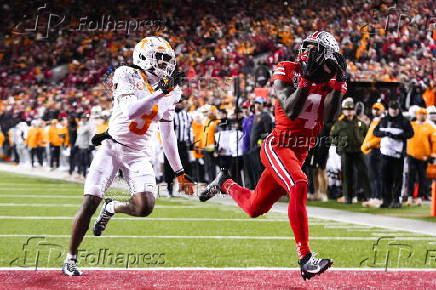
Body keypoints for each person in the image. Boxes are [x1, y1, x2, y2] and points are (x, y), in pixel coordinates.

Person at [199, 31, 347, 280]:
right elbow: (290, 110)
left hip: (299, 152)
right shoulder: (286, 69)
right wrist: (307, 81)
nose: (308, 52)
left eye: (315, 49)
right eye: (308, 47)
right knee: (299, 184)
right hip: (278, 145)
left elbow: (330, 117)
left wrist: (340, 84)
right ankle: (305, 258)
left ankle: (224, 183)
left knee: (254, 207)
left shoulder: (332, 79)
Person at [62, 37, 195, 276]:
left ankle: (112, 207)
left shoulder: (172, 91)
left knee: (145, 206)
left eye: (168, 60)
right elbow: (131, 111)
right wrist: (159, 93)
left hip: (138, 154)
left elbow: (168, 134)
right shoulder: (126, 74)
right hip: (112, 148)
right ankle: (71, 257)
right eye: (161, 58)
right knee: (90, 201)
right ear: (143, 56)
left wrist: (179, 171)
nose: (165, 64)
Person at [373, 100, 414, 208]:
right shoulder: (383, 120)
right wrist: (385, 133)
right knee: (385, 177)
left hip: (398, 154)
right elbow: (375, 132)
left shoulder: (404, 121)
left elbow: (411, 133)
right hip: (385, 154)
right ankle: (386, 200)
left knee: (397, 178)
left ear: (398, 109)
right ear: (389, 109)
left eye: (396, 109)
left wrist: (398, 136)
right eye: (392, 108)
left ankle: (396, 200)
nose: (394, 111)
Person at [330, 98, 370, 204]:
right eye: (347, 109)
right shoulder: (338, 124)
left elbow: (367, 135)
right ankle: (348, 198)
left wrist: (365, 145)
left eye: (351, 109)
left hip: (358, 151)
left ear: (353, 110)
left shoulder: (360, 123)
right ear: (343, 110)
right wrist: (339, 145)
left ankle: (367, 196)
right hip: (346, 152)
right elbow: (332, 137)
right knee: (347, 175)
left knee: (364, 173)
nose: (349, 111)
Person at [405, 108, 435, 206]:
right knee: (411, 177)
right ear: (416, 115)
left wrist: (432, 154)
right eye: (420, 113)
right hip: (412, 155)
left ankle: (419, 197)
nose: (422, 115)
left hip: (424, 157)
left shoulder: (430, 127)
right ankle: (410, 196)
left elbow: (434, 142)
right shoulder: (411, 125)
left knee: (422, 177)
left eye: (424, 114)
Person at [361, 102, 385, 208]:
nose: (375, 111)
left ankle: (377, 198)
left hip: (376, 150)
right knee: (372, 175)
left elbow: (380, 136)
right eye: (374, 109)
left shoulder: (383, 121)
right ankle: (374, 196)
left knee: (376, 175)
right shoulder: (374, 120)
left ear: (382, 110)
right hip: (370, 150)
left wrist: (368, 144)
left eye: (378, 109)